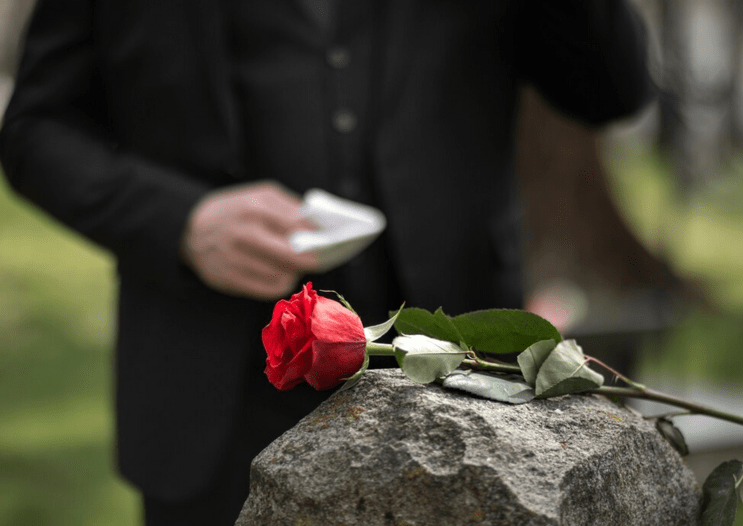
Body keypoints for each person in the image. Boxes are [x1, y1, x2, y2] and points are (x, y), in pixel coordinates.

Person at [0, 0, 655, 523]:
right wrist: (182, 223)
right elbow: (35, 130)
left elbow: (611, 88)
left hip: (465, 374)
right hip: (210, 395)